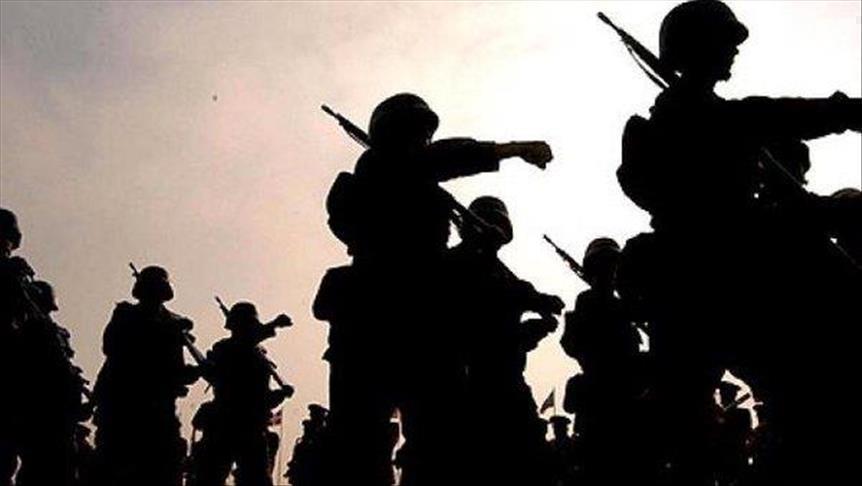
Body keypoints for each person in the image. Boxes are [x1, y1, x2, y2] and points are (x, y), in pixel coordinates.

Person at [616, 1, 861, 483]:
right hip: (723, 283)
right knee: (805, 404)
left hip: (704, 283)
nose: (734, 51)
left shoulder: (694, 120)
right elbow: (781, 117)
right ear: (697, 48)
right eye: (724, 42)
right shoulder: (702, 122)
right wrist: (847, 112)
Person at [320, 93, 554, 486]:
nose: (424, 142)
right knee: (363, 447)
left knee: (434, 445)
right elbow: (446, 156)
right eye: (417, 134)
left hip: (422, 322)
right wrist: (513, 149)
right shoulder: (379, 170)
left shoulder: (421, 184)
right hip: (382, 318)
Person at [448, 196, 564, 486]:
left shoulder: (502, 275)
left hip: (507, 381)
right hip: (467, 386)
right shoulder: (455, 266)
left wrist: (537, 324)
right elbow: (478, 335)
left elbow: (532, 304)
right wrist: (529, 328)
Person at [91, 265, 200, 486]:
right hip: (123, 408)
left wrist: (196, 371)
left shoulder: (172, 323)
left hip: (160, 412)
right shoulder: (126, 314)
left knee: (165, 468)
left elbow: (176, 372)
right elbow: (112, 347)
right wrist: (166, 331)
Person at [560, 237, 649, 485]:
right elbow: (575, 345)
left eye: (612, 267)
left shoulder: (624, 305)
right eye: (603, 267)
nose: (608, 273)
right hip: (601, 398)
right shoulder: (589, 302)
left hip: (626, 399)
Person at [189, 301, 293, 486]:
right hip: (230, 425)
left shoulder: (254, 355)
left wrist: (279, 395)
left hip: (249, 427)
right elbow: (246, 394)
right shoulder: (229, 350)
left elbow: (260, 397)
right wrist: (273, 324)